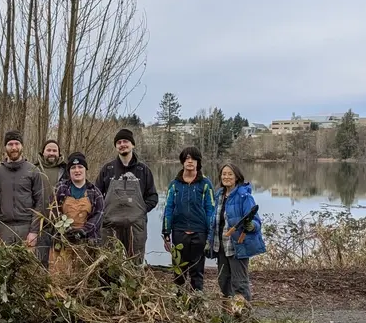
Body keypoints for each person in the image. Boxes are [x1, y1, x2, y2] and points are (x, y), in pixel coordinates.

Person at [207, 162, 265, 309]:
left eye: (230, 174)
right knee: (223, 280)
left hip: (237, 245)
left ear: (237, 177)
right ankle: (228, 310)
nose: (226, 177)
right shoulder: (219, 194)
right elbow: (214, 220)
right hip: (220, 245)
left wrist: (251, 226)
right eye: (224, 174)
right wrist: (209, 240)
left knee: (240, 283)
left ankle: (243, 315)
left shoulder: (244, 196)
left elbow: (256, 221)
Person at [96, 128, 158, 263]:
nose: (122, 144)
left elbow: (153, 197)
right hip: (110, 226)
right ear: (116, 146)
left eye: (125, 141)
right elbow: (97, 196)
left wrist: (140, 210)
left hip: (136, 227)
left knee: (134, 264)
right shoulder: (107, 169)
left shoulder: (144, 170)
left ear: (132, 145)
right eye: (119, 142)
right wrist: (104, 213)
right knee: (111, 265)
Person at [161, 147, 216, 292]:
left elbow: (211, 210)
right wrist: (166, 233)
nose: (190, 161)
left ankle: (196, 302)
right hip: (179, 232)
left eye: (193, 159)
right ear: (182, 162)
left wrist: (211, 234)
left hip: (199, 233)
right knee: (179, 271)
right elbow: (168, 209)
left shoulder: (205, 184)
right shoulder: (174, 184)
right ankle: (179, 302)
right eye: (187, 158)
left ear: (198, 162)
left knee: (197, 272)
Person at [0, 130, 45, 251]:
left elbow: (40, 202)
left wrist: (34, 231)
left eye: (17, 144)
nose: (14, 147)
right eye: (10, 144)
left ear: (22, 146)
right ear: (5, 147)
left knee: (26, 268)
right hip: (3, 229)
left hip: (26, 229)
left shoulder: (33, 171)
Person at [53, 152, 104, 244]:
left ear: (85, 169)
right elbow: (54, 211)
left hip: (88, 242)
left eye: (80, 167)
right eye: (73, 168)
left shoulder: (95, 192)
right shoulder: (60, 188)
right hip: (63, 240)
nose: (77, 170)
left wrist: (82, 232)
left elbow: (98, 216)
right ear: (69, 171)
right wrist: (66, 230)